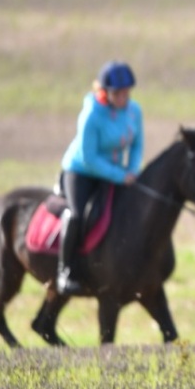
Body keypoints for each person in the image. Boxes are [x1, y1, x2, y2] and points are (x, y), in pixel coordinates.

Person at [56, 60, 144, 296]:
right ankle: (65, 271)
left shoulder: (134, 111)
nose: (123, 97)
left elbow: (137, 145)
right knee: (76, 215)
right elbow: (89, 159)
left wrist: (133, 171)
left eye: (126, 92)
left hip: (117, 173)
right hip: (81, 172)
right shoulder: (91, 116)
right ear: (104, 92)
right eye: (118, 93)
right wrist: (120, 176)